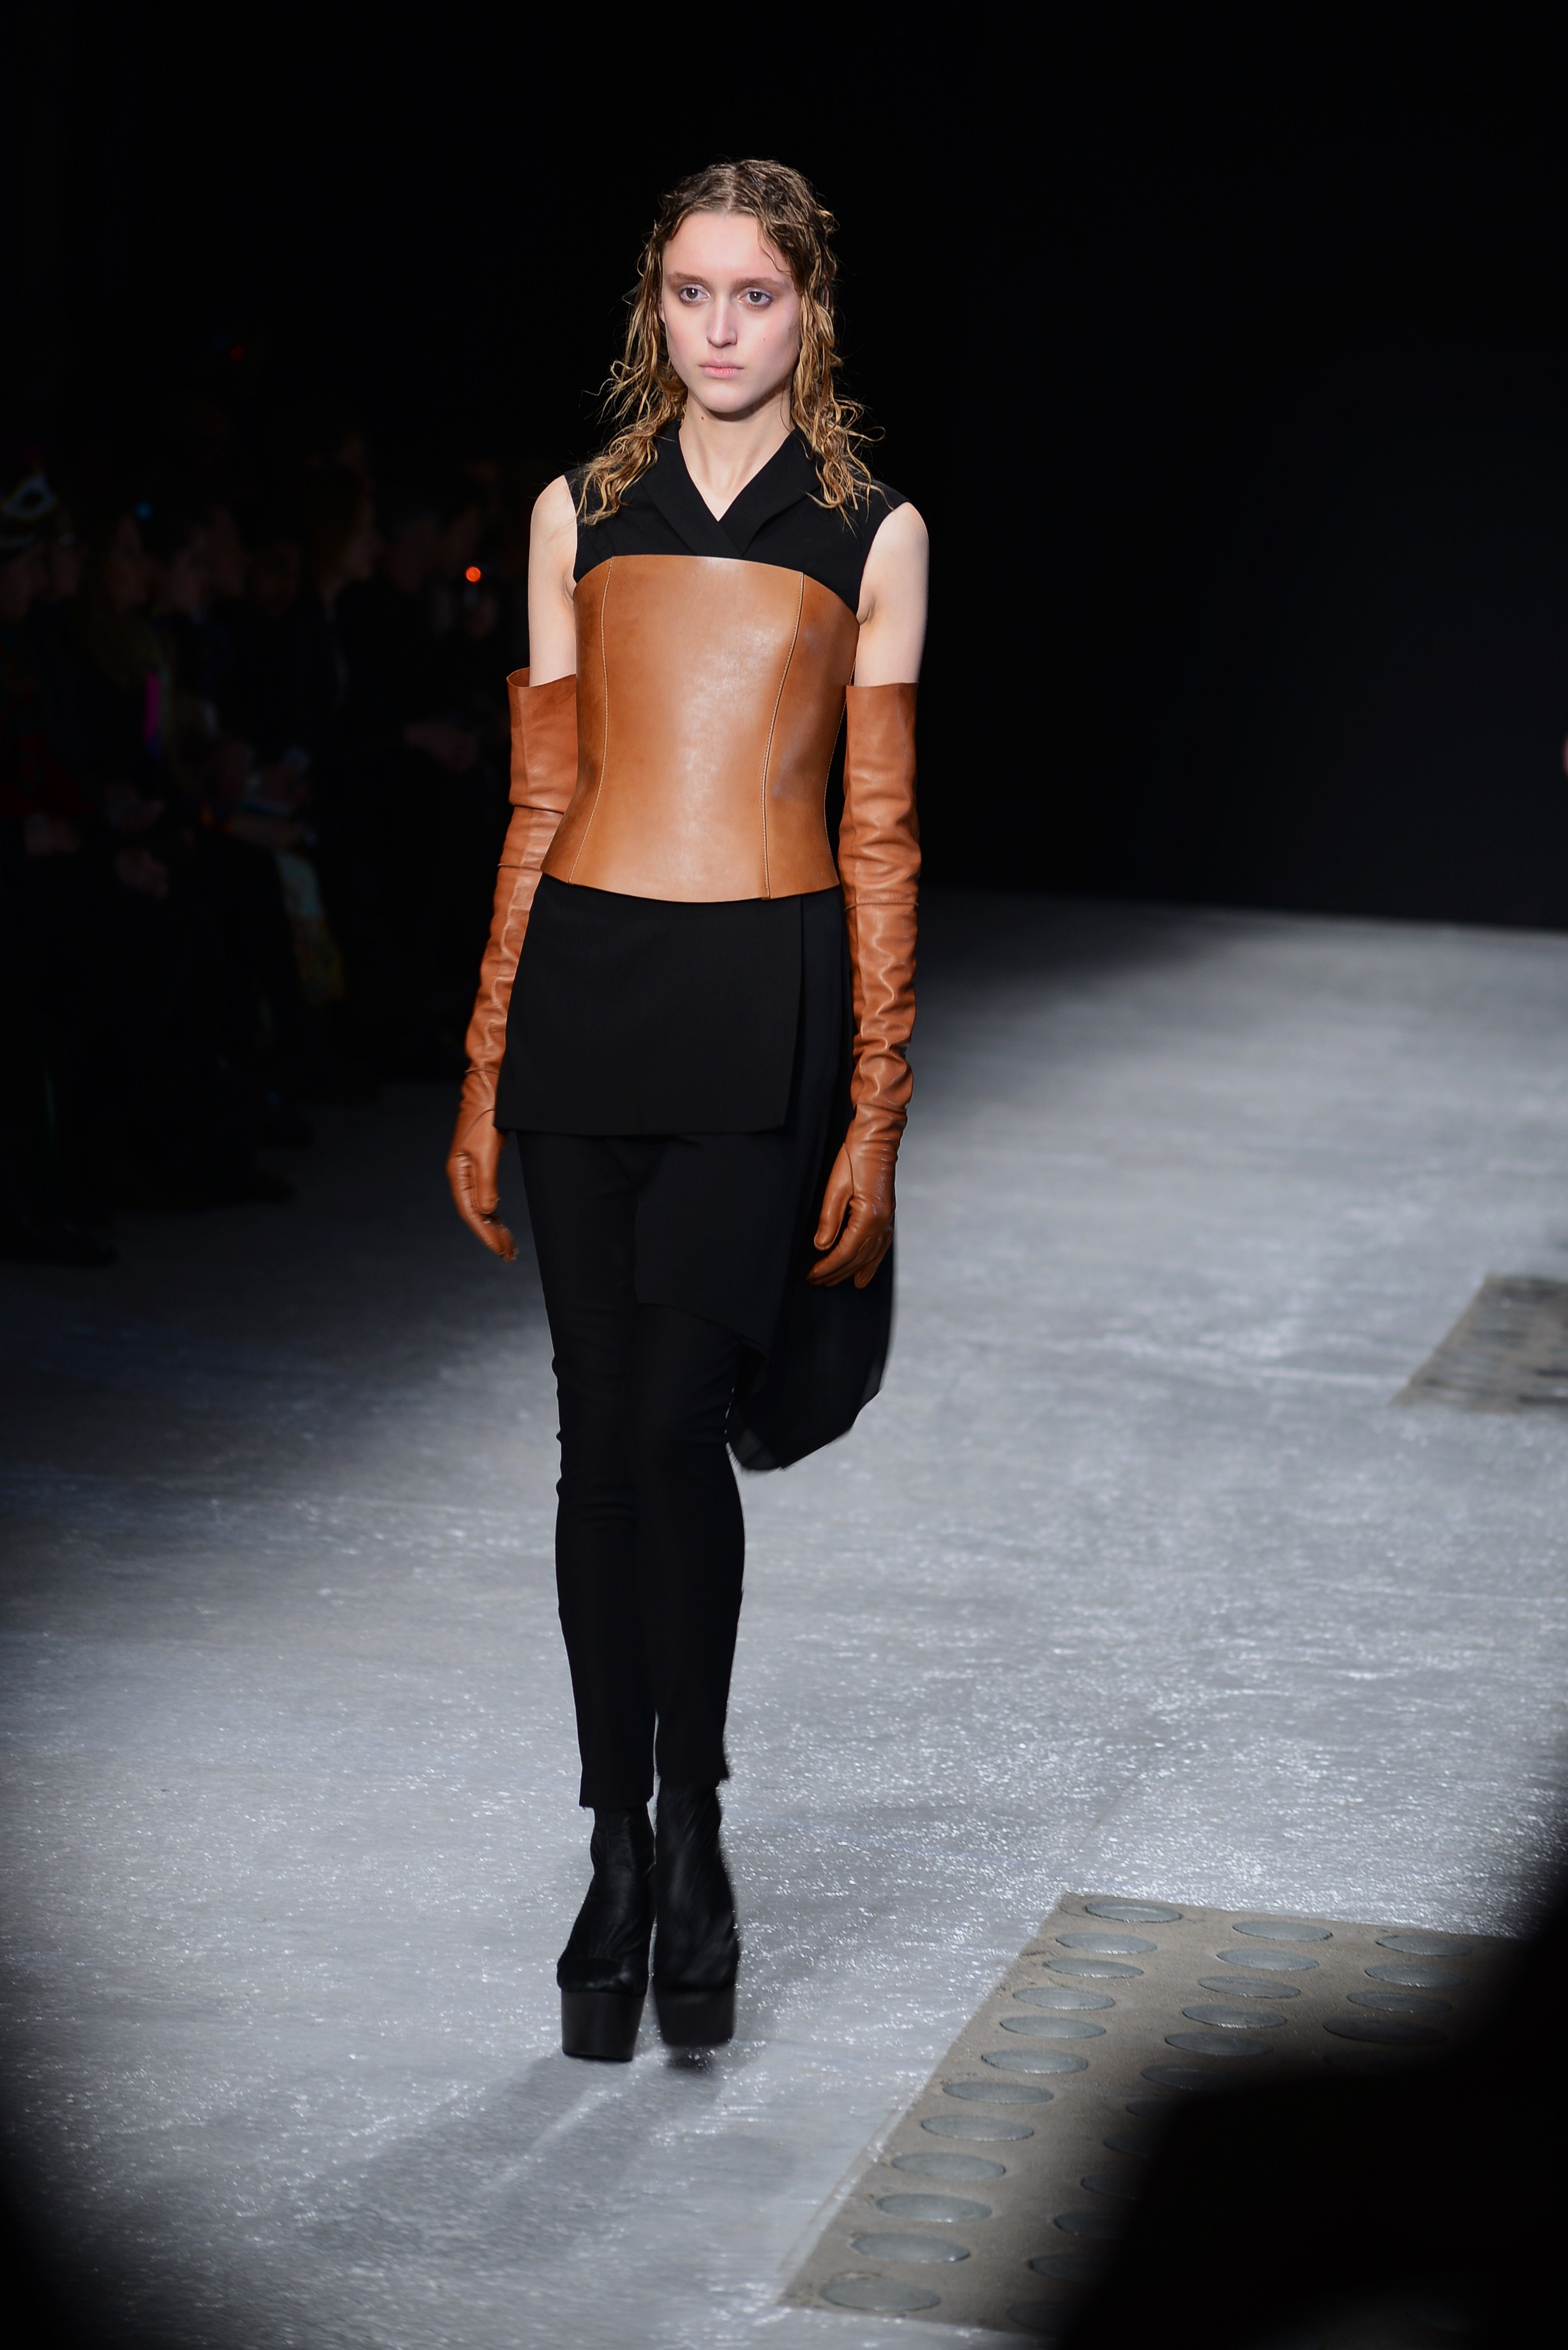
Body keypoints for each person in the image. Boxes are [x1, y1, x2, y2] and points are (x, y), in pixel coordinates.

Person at [446, 159, 927, 2061]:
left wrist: (877, 1107)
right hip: (588, 1002)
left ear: (811, 311)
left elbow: (878, 834)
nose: (722, 328)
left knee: (670, 1427)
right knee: (597, 1448)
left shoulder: (872, 531)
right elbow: (540, 799)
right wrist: (487, 1059)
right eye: (692, 293)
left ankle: (699, 1822)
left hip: (759, 1013)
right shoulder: (579, 511)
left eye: (757, 294)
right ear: (655, 309)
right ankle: (618, 1850)